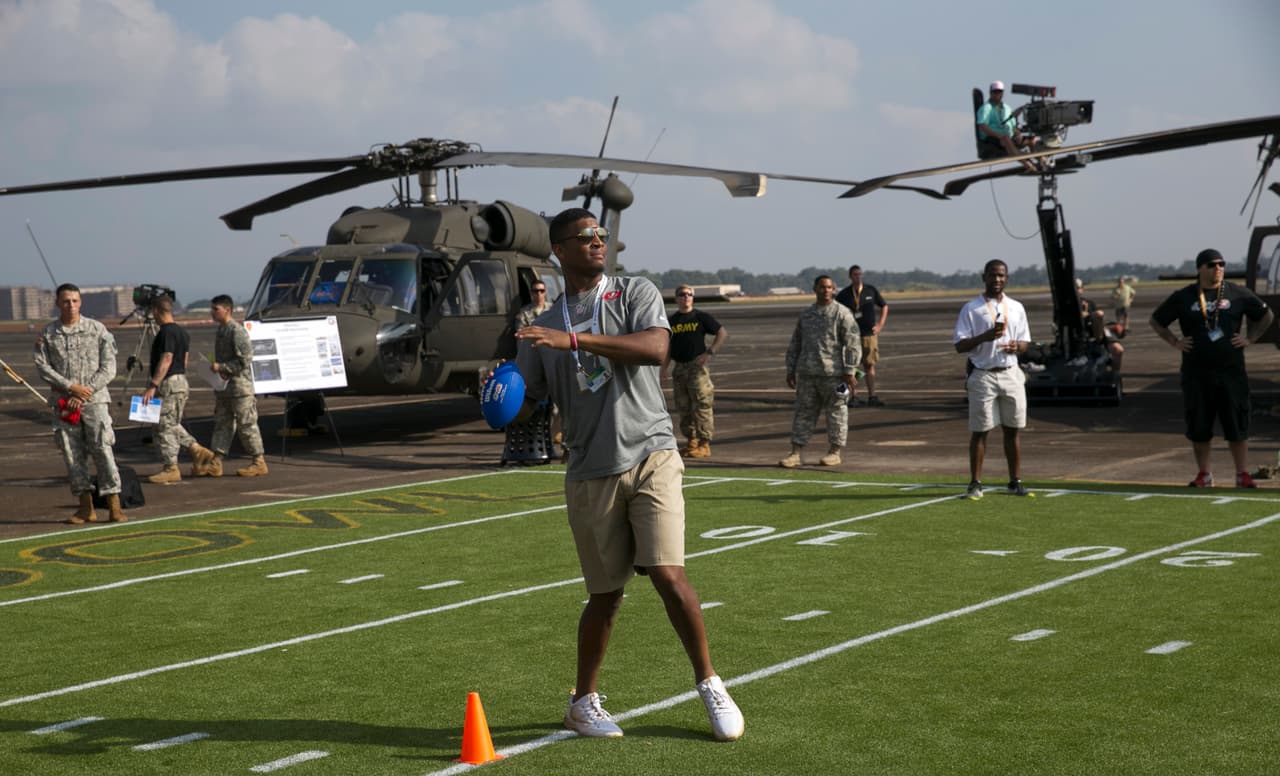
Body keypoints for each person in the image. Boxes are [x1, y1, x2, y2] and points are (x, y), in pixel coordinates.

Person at [510, 207, 743, 741]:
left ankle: (709, 683)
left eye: (601, 234)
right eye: (584, 236)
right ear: (559, 252)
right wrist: (500, 394)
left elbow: (654, 349)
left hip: (652, 450)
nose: (598, 241)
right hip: (590, 467)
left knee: (668, 573)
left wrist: (575, 343)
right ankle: (583, 702)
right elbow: (529, 404)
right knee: (606, 595)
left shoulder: (634, 291)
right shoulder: (542, 326)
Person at [1150, 248, 1273, 488]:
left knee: (1237, 423)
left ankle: (1242, 474)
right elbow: (1157, 320)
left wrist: (1251, 338)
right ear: (1200, 268)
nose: (1217, 268)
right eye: (1211, 265)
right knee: (1199, 425)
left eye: (1221, 264)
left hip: (1231, 371)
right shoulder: (1185, 297)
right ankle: (1204, 474)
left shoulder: (1237, 293)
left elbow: (1266, 314)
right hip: (1197, 372)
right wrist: (1175, 341)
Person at [33, 283, 128, 523]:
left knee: (103, 450)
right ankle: (85, 506)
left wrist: (83, 392)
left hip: (94, 402)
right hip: (64, 404)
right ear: (57, 303)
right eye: (66, 301)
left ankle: (114, 504)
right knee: (72, 454)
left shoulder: (97, 329)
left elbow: (109, 367)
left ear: (81, 302)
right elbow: (43, 367)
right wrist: (70, 387)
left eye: (75, 301)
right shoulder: (48, 335)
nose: (71, 305)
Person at [953, 260, 1033, 499]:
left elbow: (1025, 342)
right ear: (984, 277)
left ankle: (1015, 481)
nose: (997, 279)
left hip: (1010, 372)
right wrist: (985, 336)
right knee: (980, 430)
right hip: (983, 375)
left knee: (1013, 429)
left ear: (1006, 278)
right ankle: (975, 482)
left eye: (1001, 275)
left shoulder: (1017, 307)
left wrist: (1017, 346)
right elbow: (960, 345)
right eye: (992, 275)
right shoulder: (971, 308)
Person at [780, 275, 860, 468]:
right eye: (822, 287)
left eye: (830, 287)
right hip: (808, 374)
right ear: (815, 289)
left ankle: (834, 452)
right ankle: (795, 453)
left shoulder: (842, 314)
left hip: (836, 376)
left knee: (837, 412)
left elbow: (853, 345)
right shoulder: (806, 315)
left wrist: (850, 371)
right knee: (803, 413)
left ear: (834, 290)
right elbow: (796, 343)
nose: (826, 291)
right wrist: (791, 369)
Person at [141, 295, 214, 484]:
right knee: (171, 422)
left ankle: (171, 467)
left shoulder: (166, 333)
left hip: (169, 382)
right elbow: (186, 359)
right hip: (180, 380)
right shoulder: (182, 333)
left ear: (156, 311)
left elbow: (167, 358)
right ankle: (196, 450)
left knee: (164, 425)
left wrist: (153, 385)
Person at [195, 295, 268, 478]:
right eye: (212, 309)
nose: (212, 313)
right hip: (224, 387)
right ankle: (216, 462)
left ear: (227, 310)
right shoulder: (221, 330)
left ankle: (259, 461)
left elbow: (245, 359)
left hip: (240, 388)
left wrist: (222, 367)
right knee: (222, 423)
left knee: (246, 425)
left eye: (216, 309)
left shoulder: (237, 331)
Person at [661, 285, 728, 459]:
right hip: (680, 368)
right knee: (683, 407)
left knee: (701, 406)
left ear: (693, 298)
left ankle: (704, 444)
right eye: (682, 295)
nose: (686, 297)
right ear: (676, 299)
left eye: (689, 294)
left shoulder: (701, 317)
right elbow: (668, 347)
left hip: (697, 369)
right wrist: (663, 368)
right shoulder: (672, 321)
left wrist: (709, 352)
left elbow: (721, 333)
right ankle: (691, 441)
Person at [835, 264, 888, 406]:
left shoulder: (870, 290)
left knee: (869, 365)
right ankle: (854, 396)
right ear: (850, 277)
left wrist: (880, 324)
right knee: (852, 367)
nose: (858, 277)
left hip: (869, 335)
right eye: (855, 275)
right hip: (851, 336)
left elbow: (884, 306)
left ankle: (872, 396)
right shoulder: (845, 294)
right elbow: (835, 310)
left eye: (859, 274)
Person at [975, 81, 1038, 172]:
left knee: (1033, 139)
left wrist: (1017, 133)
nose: (997, 94)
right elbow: (982, 126)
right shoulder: (986, 108)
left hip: (1008, 136)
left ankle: (1039, 160)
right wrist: (998, 135)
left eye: (999, 92)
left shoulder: (1006, 108)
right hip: (992, 138)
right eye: (995, 92)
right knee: (1005, 138)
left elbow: (1012, 125)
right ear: (991, 93)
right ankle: (1027, 165)